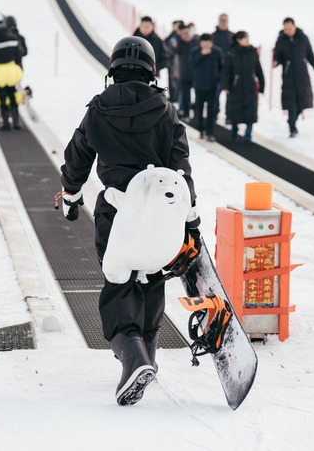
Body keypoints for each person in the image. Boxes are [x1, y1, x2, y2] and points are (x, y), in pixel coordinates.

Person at [58, 36, 200, 406]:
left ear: (113, 69)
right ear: (151, 70)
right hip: (162, 215)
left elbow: (77, 159)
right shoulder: (166, 111)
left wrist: (71, 197)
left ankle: (131, 354)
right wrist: (191, 215)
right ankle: (148, 352)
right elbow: (181, 168)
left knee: (119, 282)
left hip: (117, 212)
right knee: (151, 275)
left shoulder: (99, 109)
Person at [272, 17, 314, 137]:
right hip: (288, 76)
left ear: (294, 26)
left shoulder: (303, 38)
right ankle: (292, 128)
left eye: (290, 28)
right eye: (286, 29)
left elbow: (310, 55)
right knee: (291, 104)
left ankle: (291, 120)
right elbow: (277, 56)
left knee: (301, 103)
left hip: (302, 75)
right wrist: (276, 62)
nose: (288, 31)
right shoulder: (281, 40)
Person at [222, 31, 265, 142]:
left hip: (250, 86)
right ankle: (234, 131)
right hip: (235, 87)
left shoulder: (252, 52)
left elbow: (258, 69)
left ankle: (248, 135)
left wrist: (262, 84)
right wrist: (226, 86)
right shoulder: (232, 53)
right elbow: (226, 71)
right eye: (245, 38)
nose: (247, 40)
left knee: (251, 111)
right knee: (235, 110)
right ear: (238, 40)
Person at [189, 33, 223, 141]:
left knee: (212, 110)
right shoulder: (195, 51)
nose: (206, 44)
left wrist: (220, 83)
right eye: (204, 42)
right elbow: (191, 64)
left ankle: (210, 133)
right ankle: (200, 129)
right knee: (198, 109)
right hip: (199, 86)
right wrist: (201, 54)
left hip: (213, 87)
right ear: (200, 42)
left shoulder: (217, 51)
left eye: (208, 42)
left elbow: (222, 67)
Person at [211, 13, 233, 119]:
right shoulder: (213, 36)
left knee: (230, 94)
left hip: (229, 70)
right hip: (216, 70)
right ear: (218, 21)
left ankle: (229, 116)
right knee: (215, 93)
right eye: (221, 20)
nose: (223, 22)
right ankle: (215, 113)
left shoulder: (232, 36)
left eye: (225, 20)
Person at [176, 23, 199, 118]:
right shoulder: (179, 44)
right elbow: (175, 58)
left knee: (199, 96)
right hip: (184, 73)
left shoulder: (197, 42)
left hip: (197, 74)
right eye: (183, 33)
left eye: (187, 32)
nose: (186, 35)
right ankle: (186, 113)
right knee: (185, 96)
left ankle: (197, 113)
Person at [163, 20, 184, 103]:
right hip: (172, 63)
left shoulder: (180, 36)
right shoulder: (171, 36)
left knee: (178, 82)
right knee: (172, 81)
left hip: (179, 63)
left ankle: (177, 99)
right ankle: (173, 98)